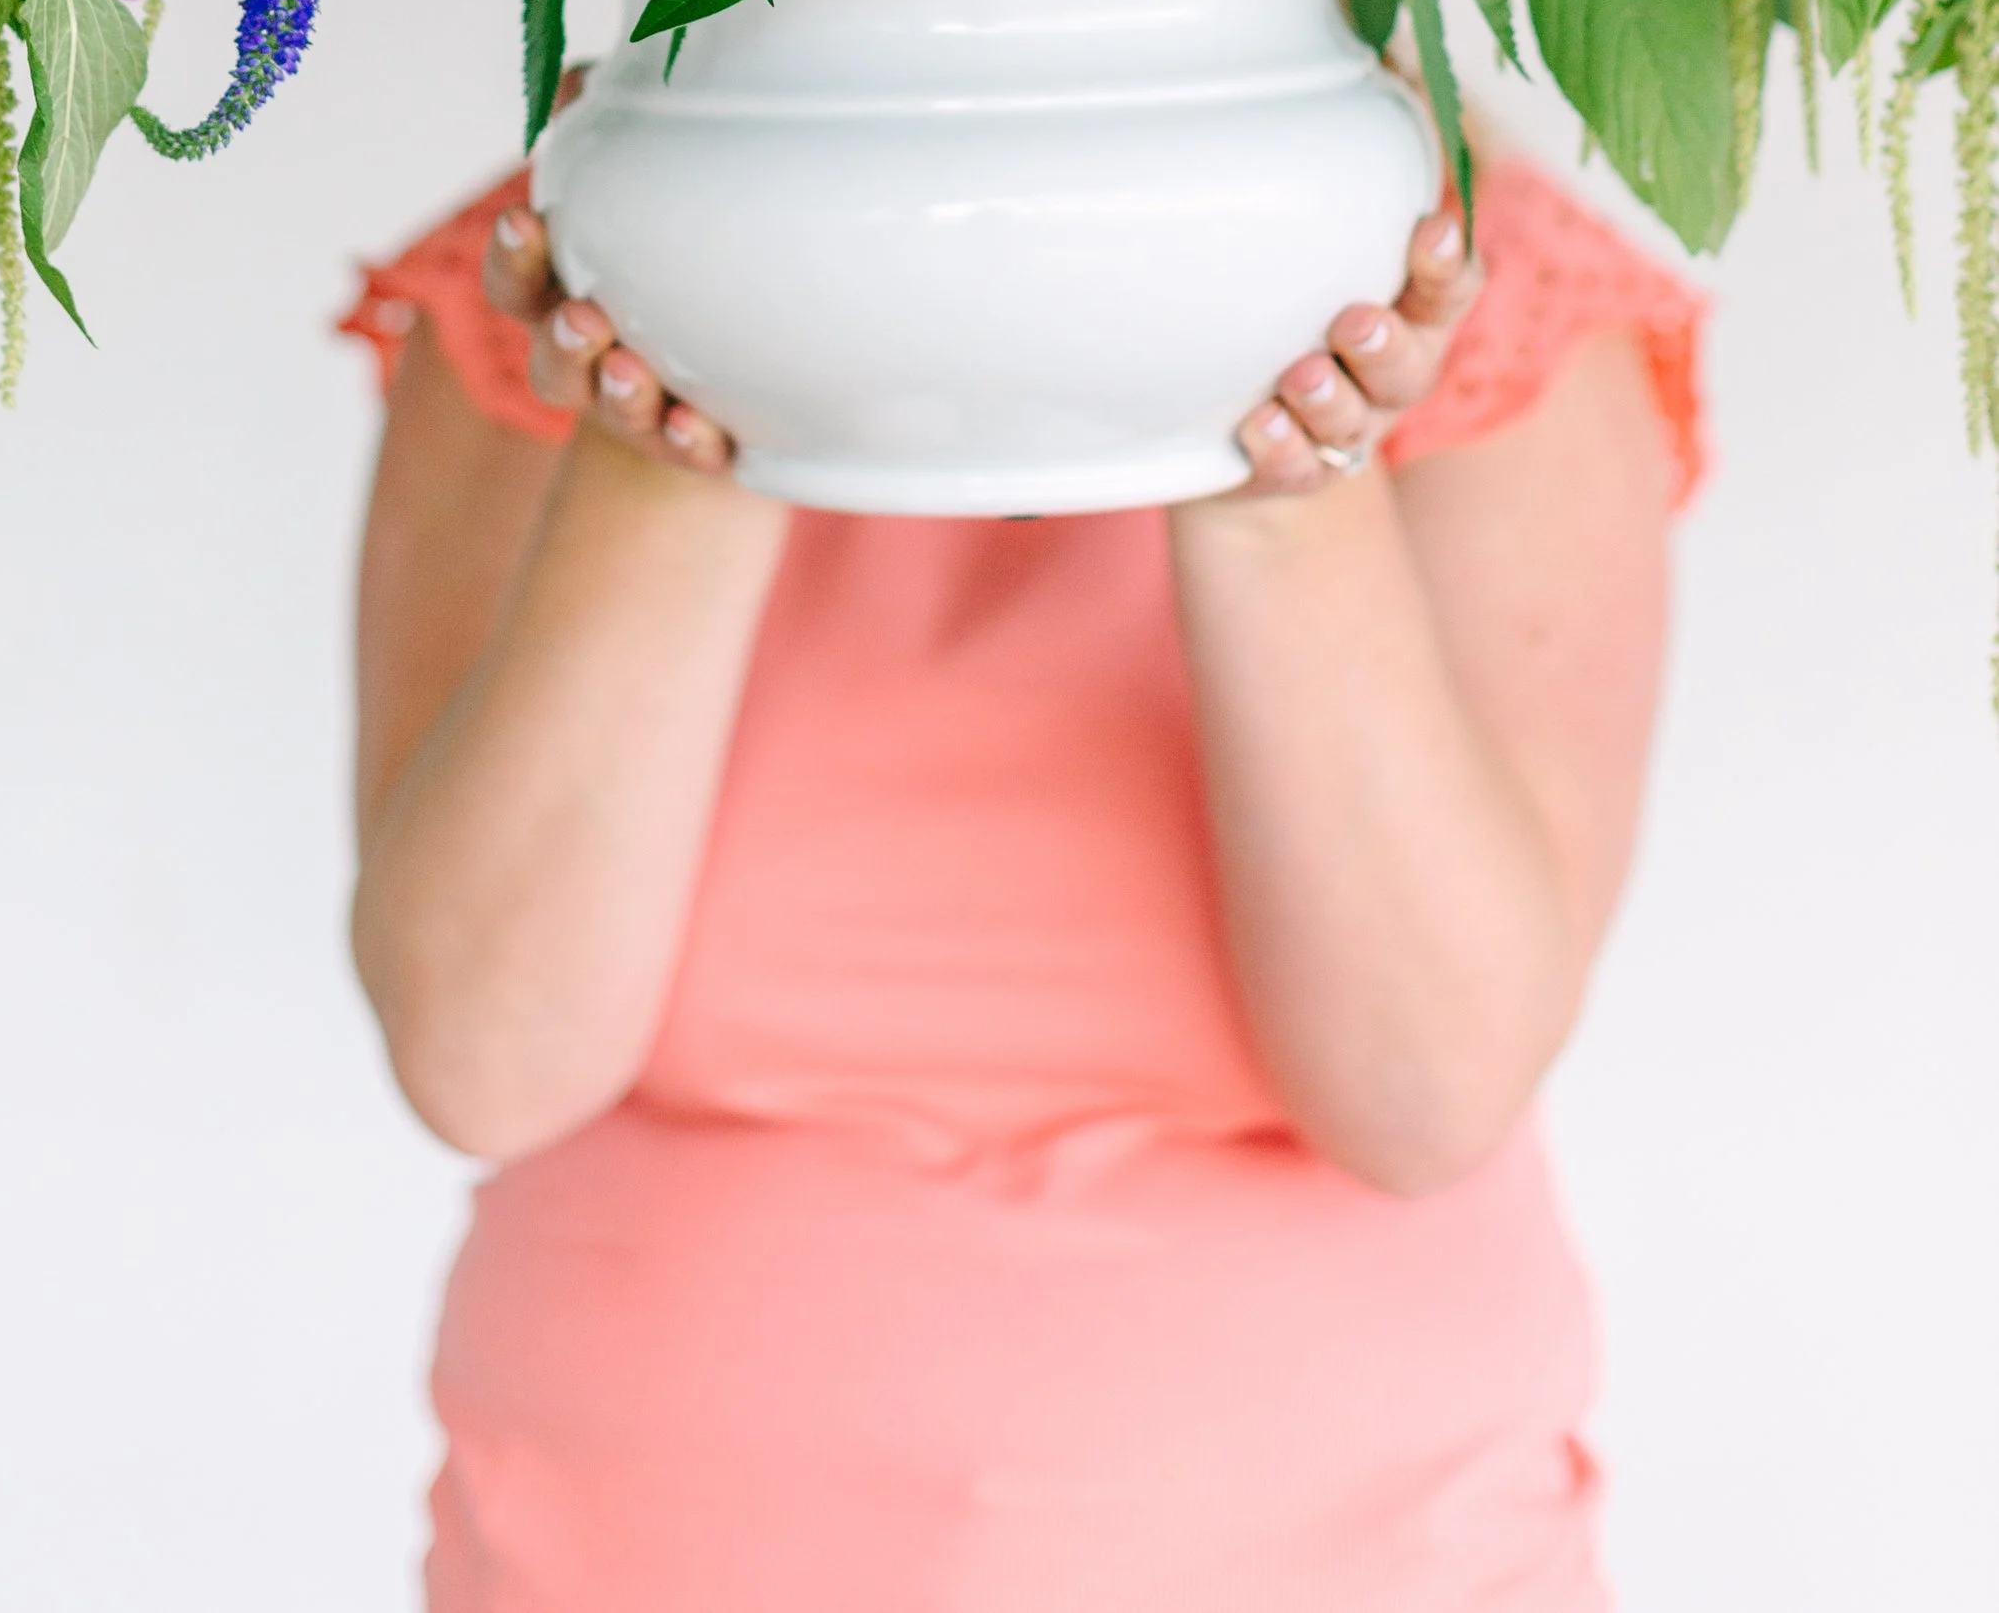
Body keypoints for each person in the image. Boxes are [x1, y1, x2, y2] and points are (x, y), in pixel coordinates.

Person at [343, 102, 1704, 1613]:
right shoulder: (571, 273)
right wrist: (684, 405)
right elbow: (484, 1051)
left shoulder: (1470, 285)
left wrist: (1278, 489)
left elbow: (1423, 1086)